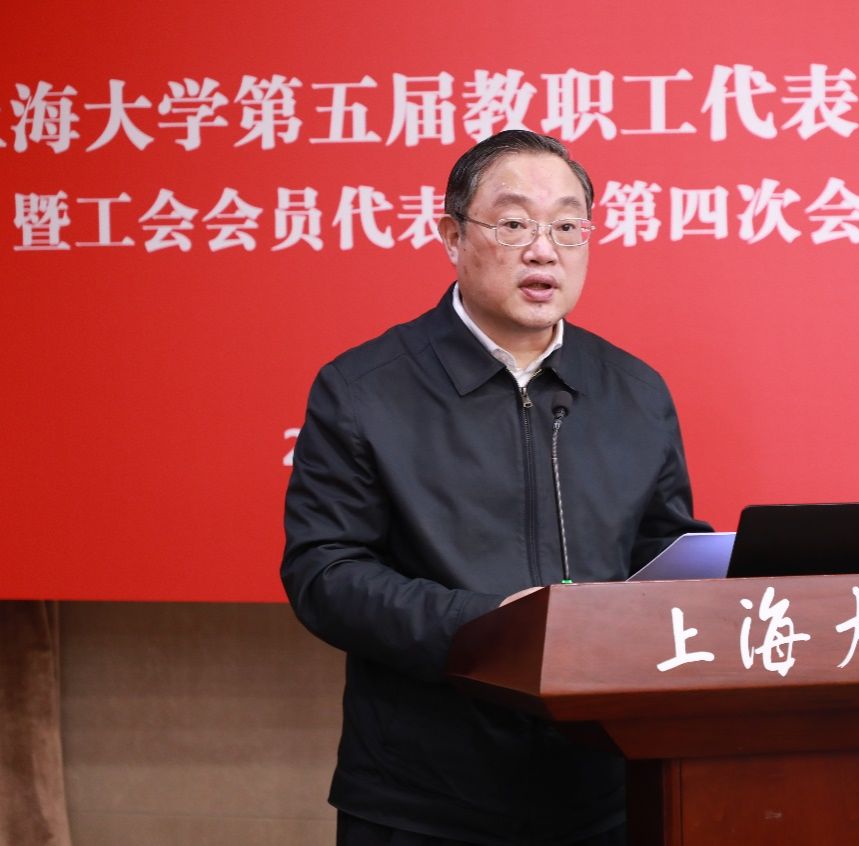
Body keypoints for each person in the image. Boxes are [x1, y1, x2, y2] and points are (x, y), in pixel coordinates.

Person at [282, 130, 711, 846]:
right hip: (422, 800)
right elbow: (325, 574)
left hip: (602, 791)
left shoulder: (635, 391)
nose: (544, 250)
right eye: (514, 223)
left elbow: (661, 556)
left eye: (568, 227)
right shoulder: (363, 389)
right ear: (452, 236)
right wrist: (484, 624)